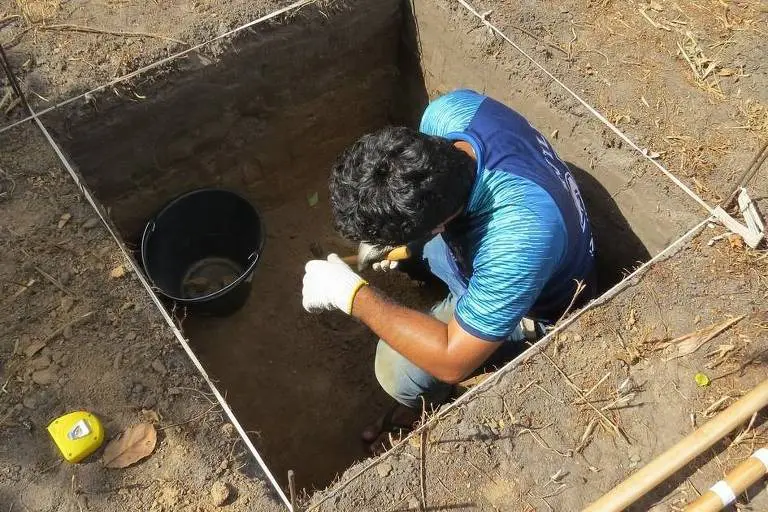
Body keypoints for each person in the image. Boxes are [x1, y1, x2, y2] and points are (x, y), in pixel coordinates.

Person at [301, 89, 596, 449]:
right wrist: (405, 243)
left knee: (398, 371)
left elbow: (451, 359)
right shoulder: (448, 115)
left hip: (541, 303)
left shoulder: (516, 239)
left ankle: (436, 401)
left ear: (437, 226)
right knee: (423, 258)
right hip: (503, 240)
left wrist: (352, 295)